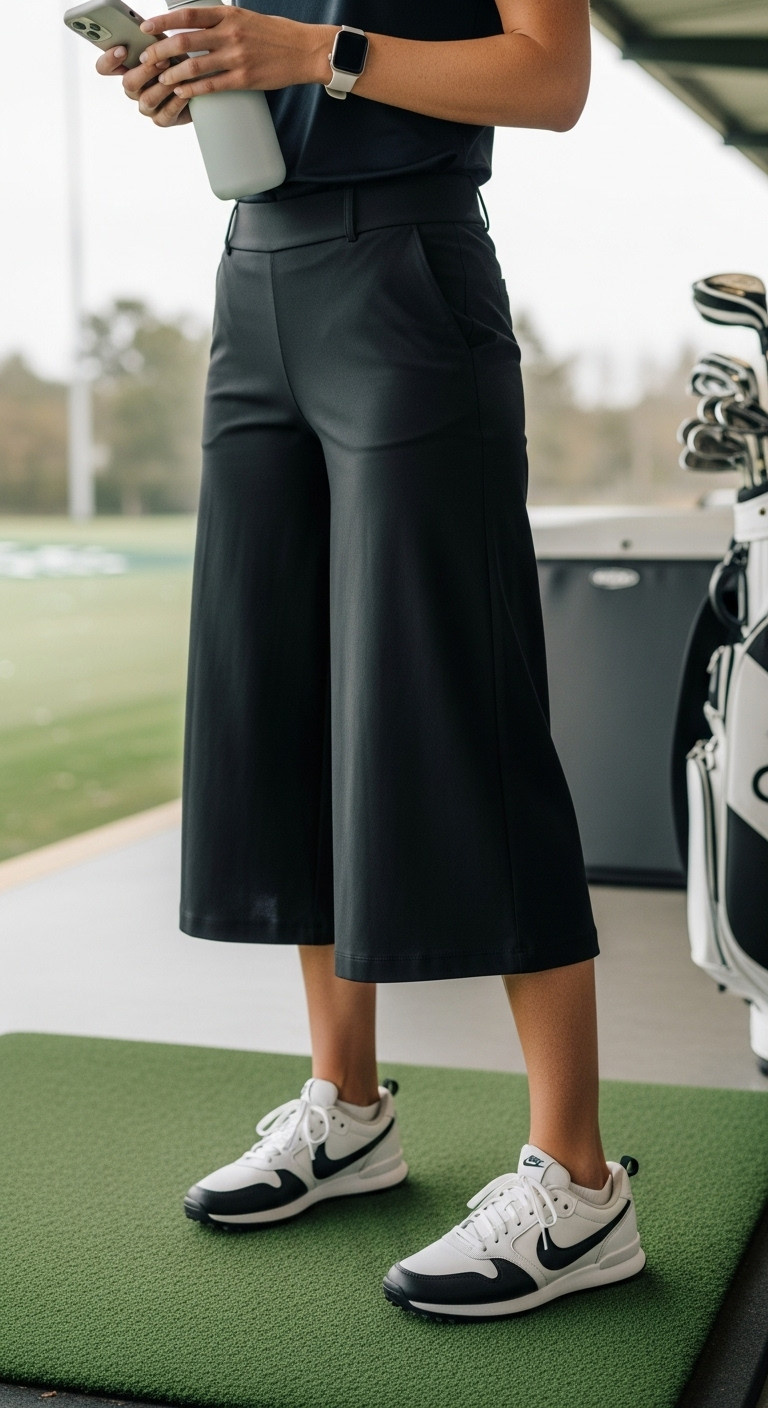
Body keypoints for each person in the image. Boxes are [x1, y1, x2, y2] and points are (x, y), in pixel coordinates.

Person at [96, 0, 645, 1322]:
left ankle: (580, 1182)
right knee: (283, 702)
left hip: (406, 272)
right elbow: (276, 84)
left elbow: (551, 74)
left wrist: (312, 56)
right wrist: (199, 82)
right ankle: (346, 1112)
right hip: (253, 273)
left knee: (460, 706)